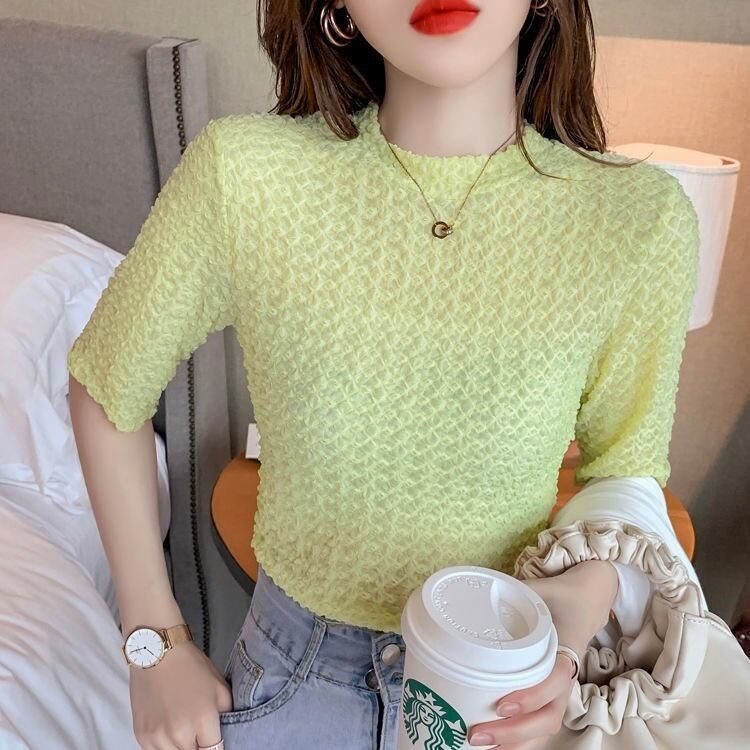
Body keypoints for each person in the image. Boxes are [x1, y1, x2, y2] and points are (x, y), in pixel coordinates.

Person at [67, 1, 706, 748]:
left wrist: (570, 615)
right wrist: (153, 643)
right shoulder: (246, 174)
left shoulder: (637, 218)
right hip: (292, 689)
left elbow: (624, 469)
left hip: (502, 693)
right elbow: (103, 388)